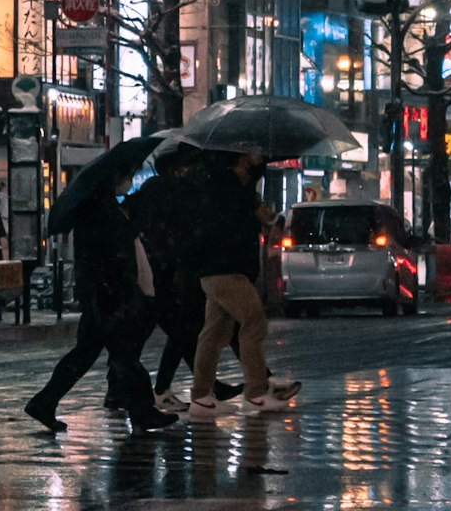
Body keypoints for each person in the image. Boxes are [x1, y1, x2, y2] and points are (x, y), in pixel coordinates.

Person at [25, 134, 167, 437]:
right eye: (127, 175)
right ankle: (142, 411)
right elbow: (113, 250)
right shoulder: (99, 211)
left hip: (99, 293)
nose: (128, 180)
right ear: (114, 177)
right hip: (107, 294)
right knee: (124, 354)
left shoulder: (98, 207)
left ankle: (45, 402)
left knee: (87, 353)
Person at [169, 141, 294, 415]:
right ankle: (257, 392)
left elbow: (257, 219)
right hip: (223, 268)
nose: (260, 156)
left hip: (221, 269)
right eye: (256, 152)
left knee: (214, 333)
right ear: (241, 157)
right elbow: (228, 227)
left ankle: (202, 396)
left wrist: (263, 215)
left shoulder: (237, 188)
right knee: (253, 322)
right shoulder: (225, 188)